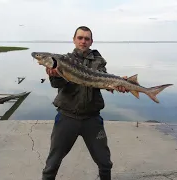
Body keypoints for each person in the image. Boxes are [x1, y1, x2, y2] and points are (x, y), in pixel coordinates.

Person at [42, 26, 128, 180]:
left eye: (86, 38)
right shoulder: (63, 59)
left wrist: (119, 85)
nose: (83, 41)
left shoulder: (98, 61)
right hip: (67, 117)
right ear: (74, 40)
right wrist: (54, 75)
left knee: (105, 163)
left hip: (92, 118)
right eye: (80, 38)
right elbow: (56, 85)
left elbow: (103, 80)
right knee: (52, 163)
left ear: (91, 41)